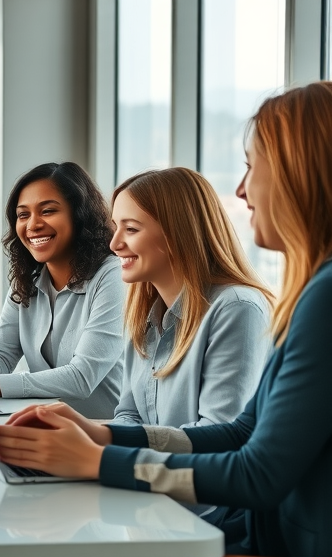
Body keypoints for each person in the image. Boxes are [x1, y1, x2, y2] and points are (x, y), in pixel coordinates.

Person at [0, 81, 332, 557]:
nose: (241, 189)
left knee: (25, 549)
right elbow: (240, 432)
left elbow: (256, 473)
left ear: (300, 174)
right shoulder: (308, 294)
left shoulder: (299, 301)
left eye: (253, 167)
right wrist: (99, 434)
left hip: (257, 547)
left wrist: (97, 460)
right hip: (228, 526)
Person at [0, 162, 123, 419]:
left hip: (106, 434)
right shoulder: (28, 279)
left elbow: (82, 377)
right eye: (23, 215)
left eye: (48, 211)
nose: (33, 225)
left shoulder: (113, 275)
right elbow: (1, 352)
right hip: (50, 427)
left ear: (79, 214)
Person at [109, 167, 271, 428]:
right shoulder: (145, 317)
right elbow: (129, 415)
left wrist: (99, 445)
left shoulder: (237, 309)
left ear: (178, 233)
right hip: (150, 468)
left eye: (131, 229)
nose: (114, 244)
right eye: (116, 227)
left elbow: (219, 435)